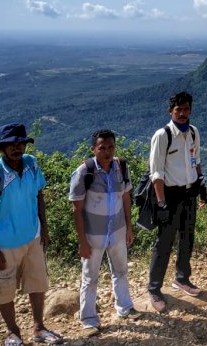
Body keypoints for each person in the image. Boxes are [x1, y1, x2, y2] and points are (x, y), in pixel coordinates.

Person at [0, 123, 64, 346]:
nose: (18, 148)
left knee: (37, 284)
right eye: (12, 144)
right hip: (4, 244)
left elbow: (39, 195)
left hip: (32, 238)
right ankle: (13, 332)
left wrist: (44, 227)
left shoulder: (32, 164)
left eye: (21, 143)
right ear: (2, 147)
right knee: (4, 291)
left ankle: (39, 328)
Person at [69, 129, 139, 336]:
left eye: (110, 147)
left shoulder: (121, 167)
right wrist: (82, 241)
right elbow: (77, 209)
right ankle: (89, 319)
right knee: (90, 277)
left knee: (121, 271)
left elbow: (126, 198)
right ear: (93, 149)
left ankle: (125, 308)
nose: (107, 152)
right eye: (102, 148)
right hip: (94, 235)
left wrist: (128, 227)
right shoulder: (84, 172)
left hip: (117, 230)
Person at [147, 91, 207, 313]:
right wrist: (161, 202)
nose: (182, 113)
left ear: (191, 109)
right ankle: (154, 288)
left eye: (186, 109)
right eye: (178, 110)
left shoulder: (193, 132)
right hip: (170, 195)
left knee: (187, 238)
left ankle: (182, 278)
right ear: (170, 111)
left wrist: (202, 187)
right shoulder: (162, 135)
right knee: (164, 243)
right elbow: (157, 173)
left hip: (189, 192)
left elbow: (196, 160)